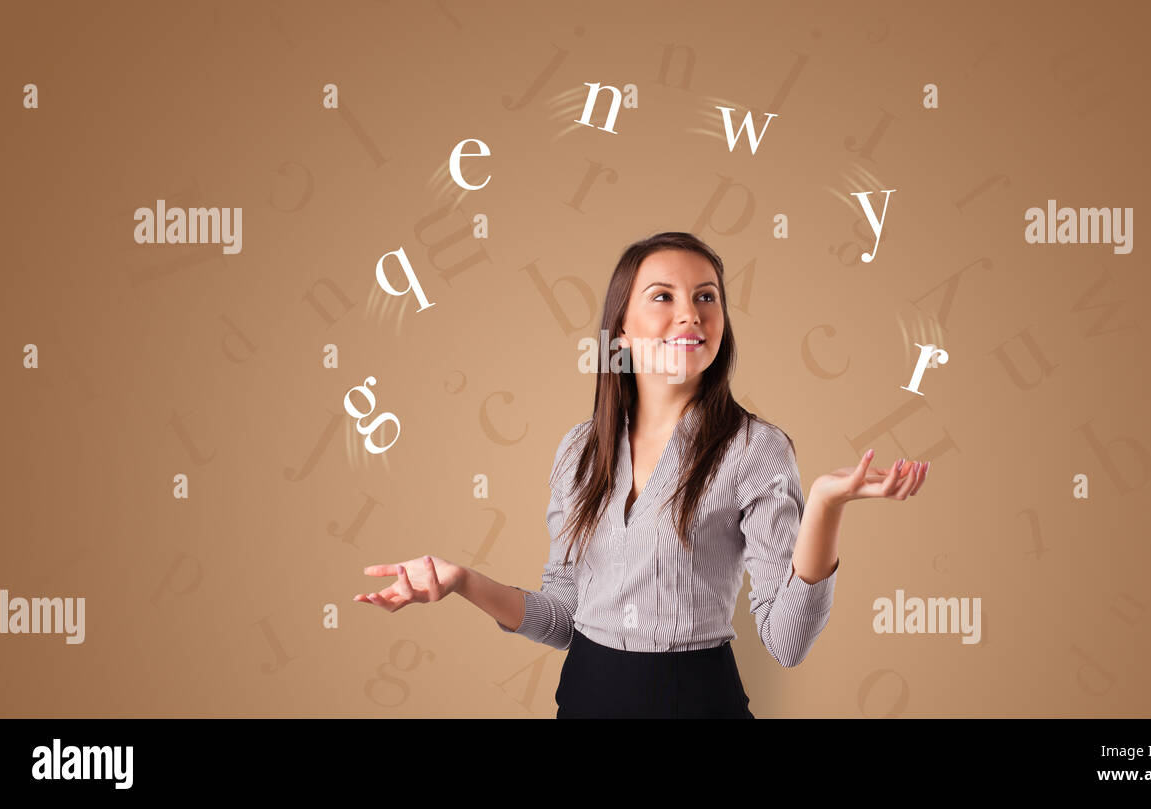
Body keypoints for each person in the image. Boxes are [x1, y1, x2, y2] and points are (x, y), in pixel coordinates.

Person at [355, 232, 929, 718]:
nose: (692, 313)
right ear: (621, 334)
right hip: (584, 697)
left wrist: (826, 506)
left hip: (698, 700)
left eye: (707, 296)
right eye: (663, 296)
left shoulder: (756, 449)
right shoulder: (580, 450)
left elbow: (787, 641)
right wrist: (460, 582)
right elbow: (561, 618)